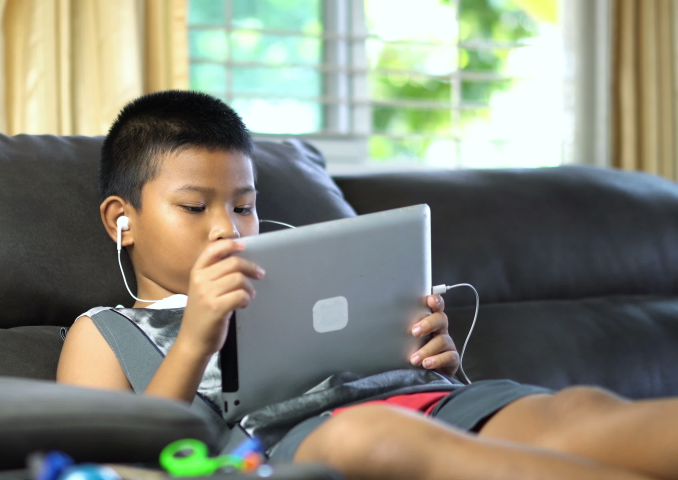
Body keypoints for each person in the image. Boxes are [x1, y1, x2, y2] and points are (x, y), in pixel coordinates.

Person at [57, 90, 678, 480]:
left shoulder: (294, 272)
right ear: (123, 220)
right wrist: (195, 338)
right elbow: (118, 459)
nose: (228, 229)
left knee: (576, 409)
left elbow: (412, 381)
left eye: (243, 206)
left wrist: (436, 360)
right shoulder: (105, 332)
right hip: (303, 446)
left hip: (429, 404)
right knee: (375, 436)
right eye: (195, 207)